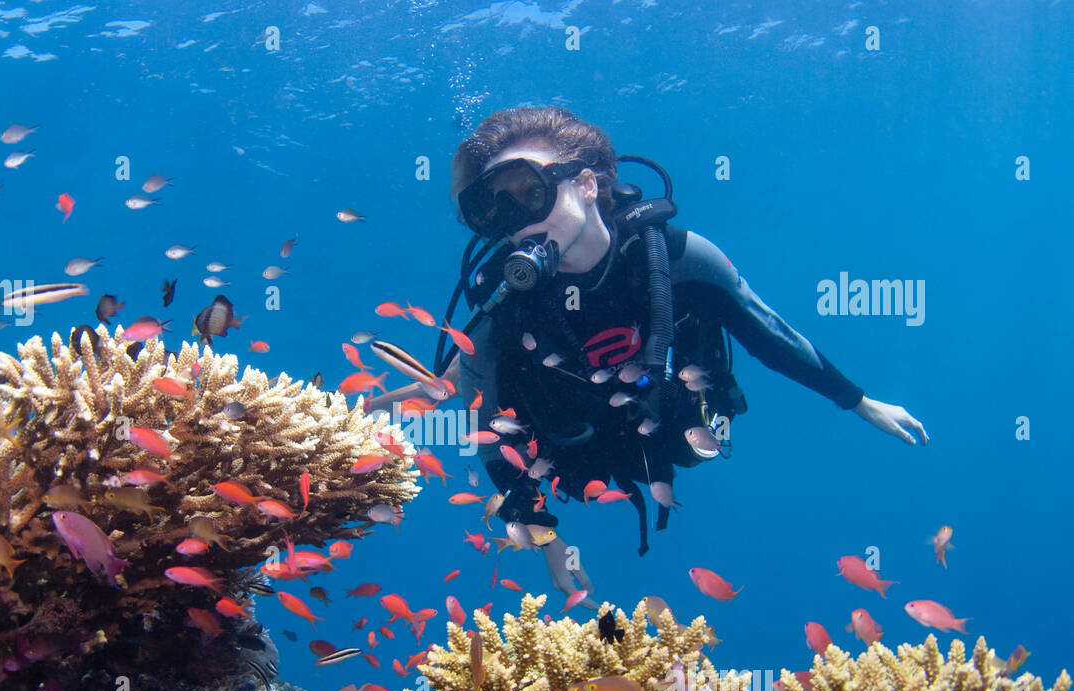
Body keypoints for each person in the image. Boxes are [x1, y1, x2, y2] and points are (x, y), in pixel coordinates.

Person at [372, 107, 927, 609]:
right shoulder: (501, 306)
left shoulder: (683, 258)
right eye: (489, 209)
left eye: (528, 191)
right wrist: (544, 533)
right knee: (478, 388)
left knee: (693, 452)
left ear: (587, 184)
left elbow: (769, 334)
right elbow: (486, 423)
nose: (515, 221)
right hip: (573, 455)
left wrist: (858, 401)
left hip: (676, 431)